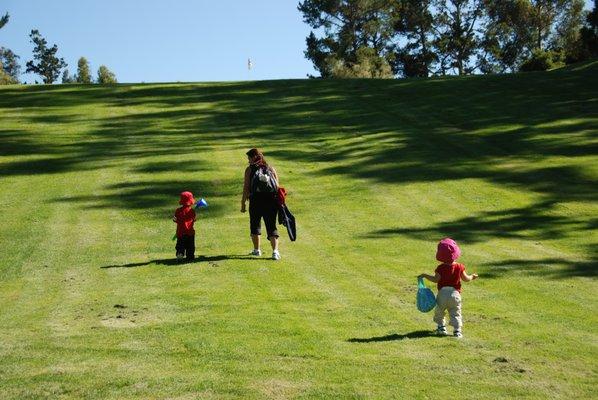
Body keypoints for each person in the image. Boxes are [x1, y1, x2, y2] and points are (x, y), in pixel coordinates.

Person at [418, 238, 478, 338]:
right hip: (455, 294)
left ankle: (441, 327)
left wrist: (425, 275)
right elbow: (466, 279)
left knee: (439, 311)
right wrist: (472, 276)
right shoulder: (460, 267)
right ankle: (457, 331)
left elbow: (436, 279)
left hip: (442, 294)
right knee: (455, 312)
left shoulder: (440, 268)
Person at [241, 148, 281, 260]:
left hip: (255, 201)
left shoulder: (249, 170)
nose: (248, 161)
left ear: (254, 158)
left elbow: (246, 188)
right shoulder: (271, 169)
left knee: (255, 225)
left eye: (249, 158)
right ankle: (275, 252)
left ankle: (257, 250)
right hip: (271, 202)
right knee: (272, 227)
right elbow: (277, 187)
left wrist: (243, 203)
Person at [173, 191, 196, 261]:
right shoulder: (192, 211)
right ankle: (190, 256)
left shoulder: (178, 211)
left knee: (180, 245)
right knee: (190, 246)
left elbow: (175, 219)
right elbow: (194, 219)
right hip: (190, 232)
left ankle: (180, 254)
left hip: (180, 232)